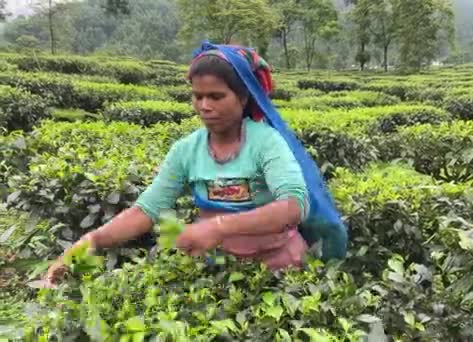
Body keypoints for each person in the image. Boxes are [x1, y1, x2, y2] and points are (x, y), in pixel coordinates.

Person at [45, 41, 347, 285]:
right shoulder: (186, 150)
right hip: (215, 270)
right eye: (198, 96)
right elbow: (146, 210)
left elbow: (294, 205)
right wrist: (89, 242)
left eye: (216, 96)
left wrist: (218, 226)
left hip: (279, 269)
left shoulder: (265, 142)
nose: (205, 106)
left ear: (242, 98)